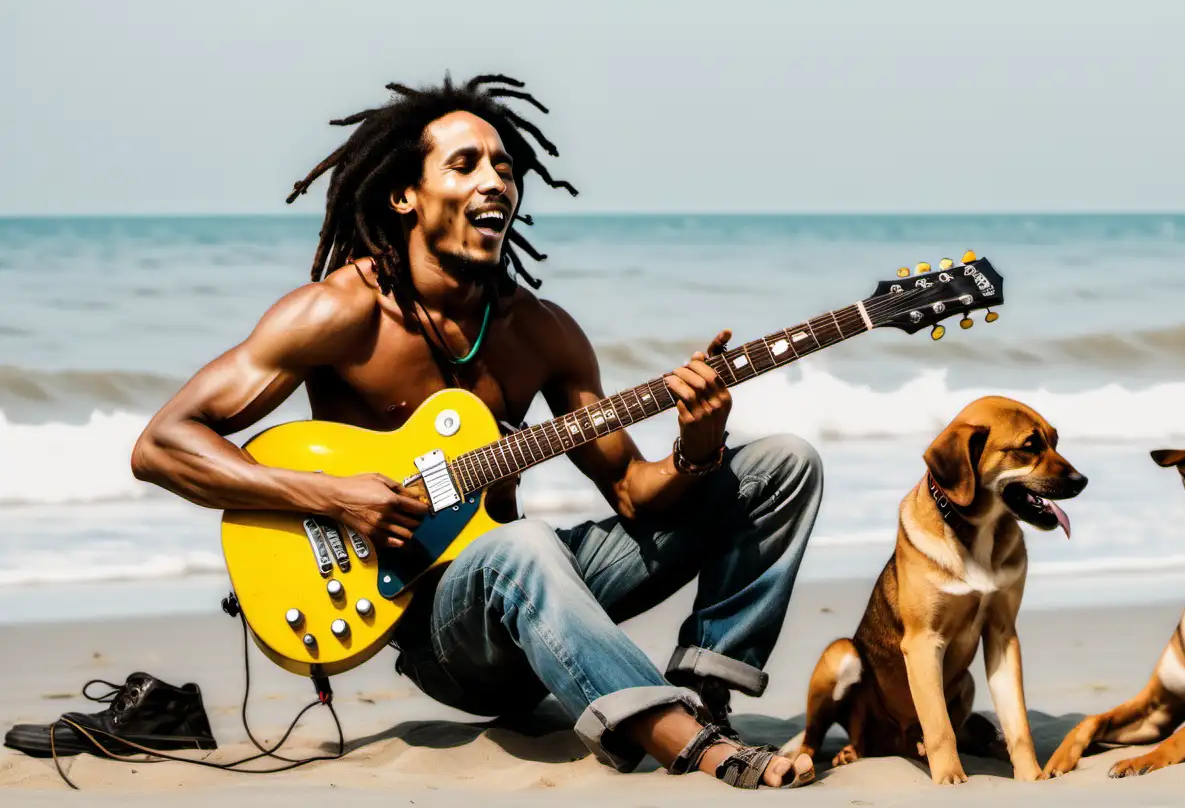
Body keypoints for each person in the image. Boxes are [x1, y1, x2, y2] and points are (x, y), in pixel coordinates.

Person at [129, 74, 821, 789]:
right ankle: (689, 741)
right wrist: (332, 497)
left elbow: (634, 495)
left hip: (541, 601)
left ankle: (707, 688)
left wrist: (696, 449)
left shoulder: (542, 332)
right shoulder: (340, 314)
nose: (495, 182)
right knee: (520, 545)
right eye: (464, 165)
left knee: (783, 465)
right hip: (444, 638)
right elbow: (162, 446)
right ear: (406, 194)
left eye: (505, 168)